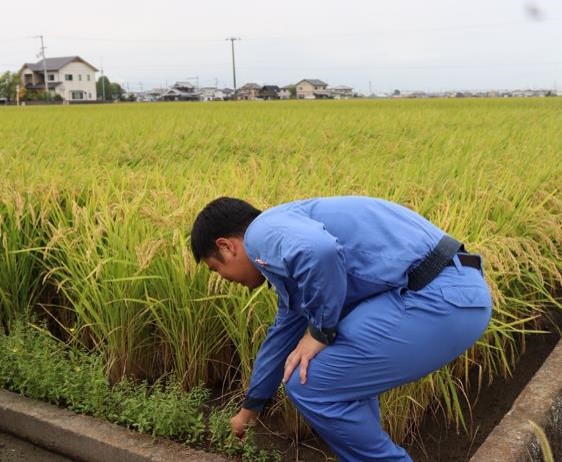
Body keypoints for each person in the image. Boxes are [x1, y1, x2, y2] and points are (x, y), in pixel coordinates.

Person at [190, 196, 492, 462]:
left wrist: (321, 331)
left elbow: (319, 250)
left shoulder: (262, 231)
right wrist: (250, 411)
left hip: (439, 295)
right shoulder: (287, 261)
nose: (227, 280)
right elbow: (282, 337)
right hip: (452, 291)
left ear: (226, 246)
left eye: (217, 270)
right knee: (338, 376)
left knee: (309, 383)